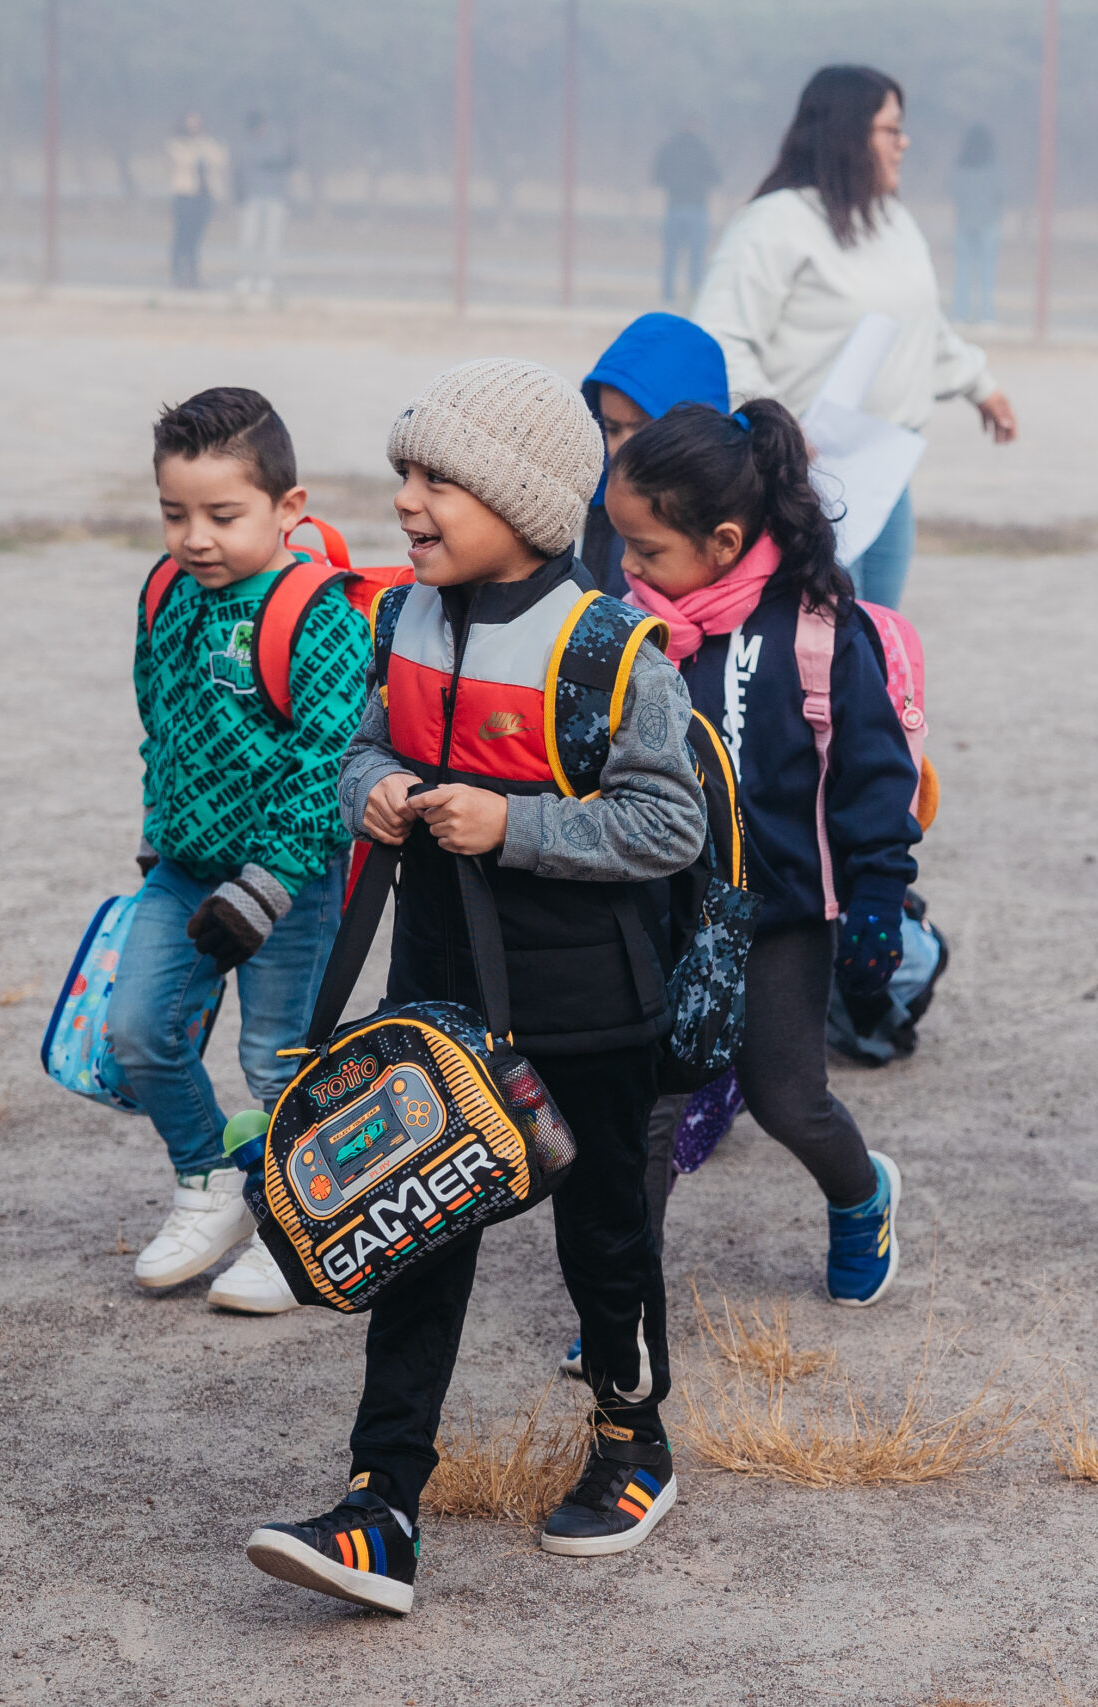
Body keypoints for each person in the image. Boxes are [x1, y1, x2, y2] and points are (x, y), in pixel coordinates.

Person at [245, 359, 710, 1613]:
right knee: (416, 1235)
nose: (407, 501)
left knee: (603, 1238)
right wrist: (376, 794)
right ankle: (380, 1507)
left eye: (437, 479)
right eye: (405, 474)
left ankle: (632, 1442)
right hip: (436, 989)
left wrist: (514, 827)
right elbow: (357, 753)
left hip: (591, 1005)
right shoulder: (402, 615)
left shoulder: (609, 647)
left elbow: (668, 823)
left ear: (526, 501)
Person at [603, 399, 917, 1307]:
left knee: (788, 1099)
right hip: (660, 910)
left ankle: (863, 1197)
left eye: (648, 549)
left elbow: (875, 778)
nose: (626, 566)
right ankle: (623, 1299)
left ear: (727, 540)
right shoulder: (629, 631)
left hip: (783, 915)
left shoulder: (820, 631)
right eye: (621, 544)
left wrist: (877, 900)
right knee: (649, 1109)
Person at [115, 388, 362, 1315]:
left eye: (223, 515)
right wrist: (157, 839)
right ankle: (214, 1179)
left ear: (287, 508)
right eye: (175, 514)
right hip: (182, 868)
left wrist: (263, 887)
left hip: (288, 886)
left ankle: (304, 1226)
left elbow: (327, 761)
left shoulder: (318, 613)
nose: (196, 537)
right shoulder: (163, 593)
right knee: (140, 1032)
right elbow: (160, 725)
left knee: (277, 1059)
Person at [695, 65, 1017, 611]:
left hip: (883, 478)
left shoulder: (891, 219)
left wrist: (977, 383)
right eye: (891, 130)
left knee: (876, 647)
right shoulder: (774, 224)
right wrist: (773, 419)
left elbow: (921, 323)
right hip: (799, 483)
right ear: (848, 132)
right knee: (825, 652)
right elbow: (720, 336)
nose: (904, 142)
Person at [577, 313, 732, 598]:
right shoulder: (606, 510)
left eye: (643, 429)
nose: (624, 449)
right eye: (611, 428)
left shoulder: (744, 520)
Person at [653, 125, 720, 306]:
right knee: (696, 256)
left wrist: (675, 184)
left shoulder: (669, 149)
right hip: (697, 207)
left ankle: (668, 295)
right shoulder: (703, 150)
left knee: (671, 255)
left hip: (675, 206)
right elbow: (715, 176)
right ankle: (694, 294)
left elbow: (657, 176)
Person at [232, 111, 292, 302]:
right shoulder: (245, 145)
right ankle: (247, 277)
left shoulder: (278, 142)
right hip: (252, 198)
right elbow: (238, 171)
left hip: (275, 198)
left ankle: (266, 279)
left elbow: (287, 165)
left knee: (271, 241)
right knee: (248, 240)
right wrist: (239, 196)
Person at [165, 111, 228, 290]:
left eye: (197, 122)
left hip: (204, 196)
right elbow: (184, 160)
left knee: (195, 239)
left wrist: (203, 152)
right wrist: (201, 153)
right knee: (181, 237)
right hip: (184, 196)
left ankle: (193, 277)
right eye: (190, 122)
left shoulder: (207, 142)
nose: (194, 125)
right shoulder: (176, 142)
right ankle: (178, 275)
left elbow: (220, 159)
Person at [950, 124, 1003, 324]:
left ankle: (960, 314)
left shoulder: (960, 166)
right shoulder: (993, 168)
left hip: (964, 224)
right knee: (987, 274)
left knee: (962, 272)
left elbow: (953, 191)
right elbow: (1001, 193)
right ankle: (986, 316)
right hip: (988, 224)